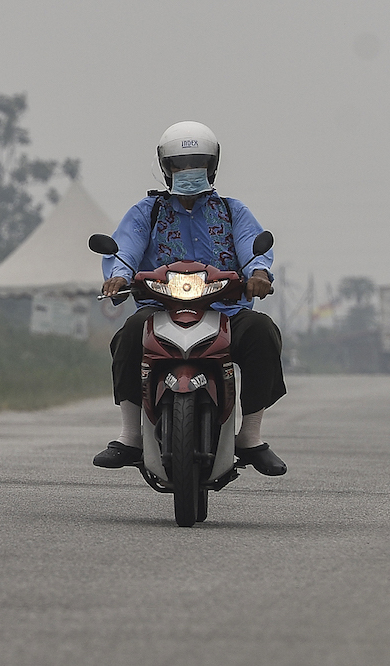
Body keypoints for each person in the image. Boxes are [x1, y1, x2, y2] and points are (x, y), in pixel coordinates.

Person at [92, 121, 287, 476]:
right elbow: (125, 250)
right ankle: (130, 435)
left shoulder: (232, 211)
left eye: (196, 164)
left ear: (212, 167)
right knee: (129, 334)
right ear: (166, 168)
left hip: (226, 309)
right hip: (161, 308)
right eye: (180, 165)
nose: (188, 173)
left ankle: (252, 436)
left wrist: (258, 274)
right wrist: (118, 276)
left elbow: (252, 246)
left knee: (262, 331)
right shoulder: (147, 212)